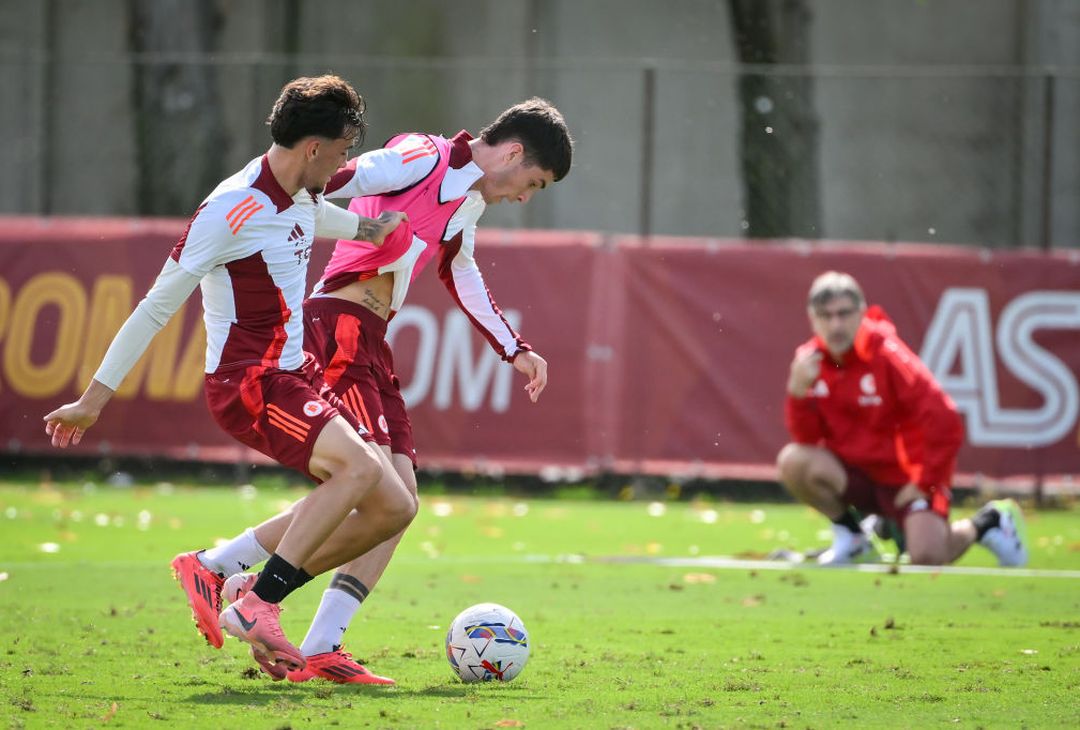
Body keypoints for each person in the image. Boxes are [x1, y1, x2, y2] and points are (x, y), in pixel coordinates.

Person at [175, 98, 573, 684]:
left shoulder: (466, 203)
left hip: (370, 341)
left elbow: (461, 271)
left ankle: (301, 629)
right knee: (377, 490)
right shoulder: (424, 155)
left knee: (397, 504)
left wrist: (514, 348)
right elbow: (339, 176)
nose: (524, 197)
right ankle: (236, 580)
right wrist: (278, 201)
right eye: (533, 183)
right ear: (513, 154)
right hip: (337, 329)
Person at [43, 75, 417, 676]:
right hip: (250, 383)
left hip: (295, 374)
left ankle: (228, 574)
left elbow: (313, 219)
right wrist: (92, 399)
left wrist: (376, 230)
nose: (346, 162)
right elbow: (155, 306)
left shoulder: (299, 192)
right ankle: (259, 603)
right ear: (313, 148)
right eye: (344, 150)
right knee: (358, 470)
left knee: (393, 507)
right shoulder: (231, 208)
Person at [776, 271, 1028, 567]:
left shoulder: (887, 354)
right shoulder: (809, 362)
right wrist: (797, 393)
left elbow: (945, 418)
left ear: (861, 312)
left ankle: (987, 523)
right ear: (812, 318)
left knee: (927, 557)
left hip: (905, 480)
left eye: (844, 314)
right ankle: (855, 539)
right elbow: (807, 440)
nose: (836, 325)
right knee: (793, 461)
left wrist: (925, 481)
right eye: (826, 316)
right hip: (857, 479)